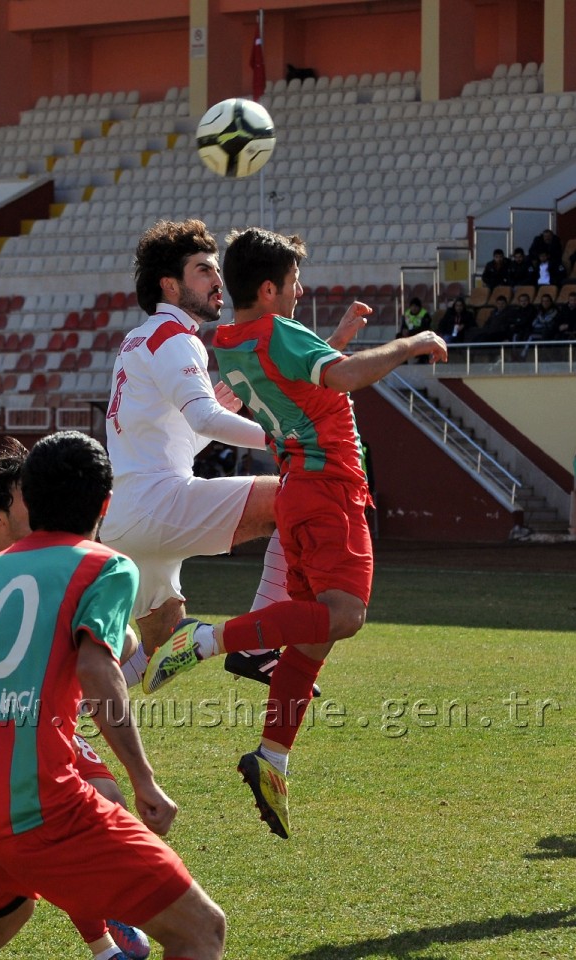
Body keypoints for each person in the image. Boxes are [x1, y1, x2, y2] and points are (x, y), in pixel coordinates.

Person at [144, 227, 447, 840]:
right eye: (292, 283)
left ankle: (272, 758)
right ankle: (207, 639)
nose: (300, 290)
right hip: (329, 489)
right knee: (344, 615)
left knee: (310, 637)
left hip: (299, 493)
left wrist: (331, 342)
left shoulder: (229, 341)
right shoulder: (277, 333)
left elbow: (290, 379)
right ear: (267, 287)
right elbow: (339, 379)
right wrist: (408, 342)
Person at [0, 430, 225, 960]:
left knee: (0, 918)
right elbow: (96, 669)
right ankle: (106, 943)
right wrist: (145, 780)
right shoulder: (104, 564)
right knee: (201, 930)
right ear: (105, 504)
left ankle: (104, 943)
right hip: (36, 804)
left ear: (27, 499)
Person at [100, 219, 327, 696]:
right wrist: (278, 441)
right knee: (296, 501)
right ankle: (258, 643)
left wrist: (214, 419)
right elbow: (204, 419)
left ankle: (72, 717)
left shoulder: (138, 339)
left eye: (216, 270)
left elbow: (183, 436)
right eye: (203, 270)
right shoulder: (173, 336)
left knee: (160, 633)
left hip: (127, 515)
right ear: (170, 284)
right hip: (157, 503)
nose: (217, 281)